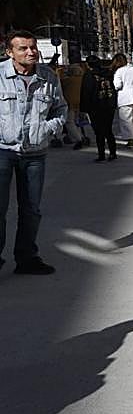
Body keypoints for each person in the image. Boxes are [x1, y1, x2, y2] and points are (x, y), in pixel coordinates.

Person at [0, 30, 68, 275]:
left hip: (35, 154)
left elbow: (61, 109)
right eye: (23, 48)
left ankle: (27, 258)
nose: (31, 52)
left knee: (31, 209)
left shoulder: (48, 77)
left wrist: (46, 130)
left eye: (33, 48)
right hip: (3, 152)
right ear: (10, 52)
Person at [81, 56, 119, 162]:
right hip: (109, 104)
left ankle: (101, 154)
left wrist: (84, 109)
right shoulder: (108, 74)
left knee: (98, 132)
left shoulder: (89, 76)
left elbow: (86, 93)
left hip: (96, 106)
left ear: (88, 65)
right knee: (108, 130)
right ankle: (112, 153)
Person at [111, 53, 133, 147]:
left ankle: (130, 138)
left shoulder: (119, 71)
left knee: (126, 119)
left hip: (125, 97)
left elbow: (117, 85)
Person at [57, 61, 90, 150]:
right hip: (80, 103)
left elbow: (58, 81)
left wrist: (58, 71)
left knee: (69, 122)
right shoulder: (83, 79)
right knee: (77, 122)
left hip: (69, 103)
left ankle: (78, 139)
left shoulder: (68, 80)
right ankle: (75, 136)